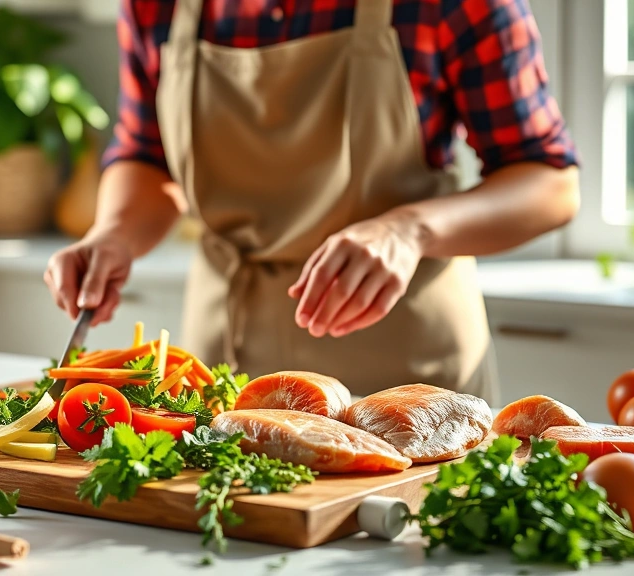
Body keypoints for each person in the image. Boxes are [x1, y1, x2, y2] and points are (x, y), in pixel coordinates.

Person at [44, 0, 579, 402]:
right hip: (220, 372)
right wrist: (113, 233)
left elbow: (549, 181)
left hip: (406, 378)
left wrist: (409, 229)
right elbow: (146, 154)